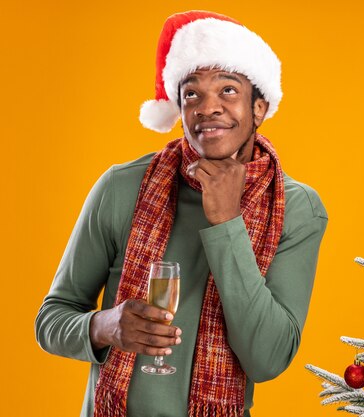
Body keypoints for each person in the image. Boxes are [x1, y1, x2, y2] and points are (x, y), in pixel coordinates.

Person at [35, 10, 327, 417]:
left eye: (228, 90)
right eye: (192, 93)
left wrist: (227, 222)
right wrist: (105, 326)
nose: (209, 108)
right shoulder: (123, 187)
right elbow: (50, 320)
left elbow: (268, 358)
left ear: (258, 108)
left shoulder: (296, 207)